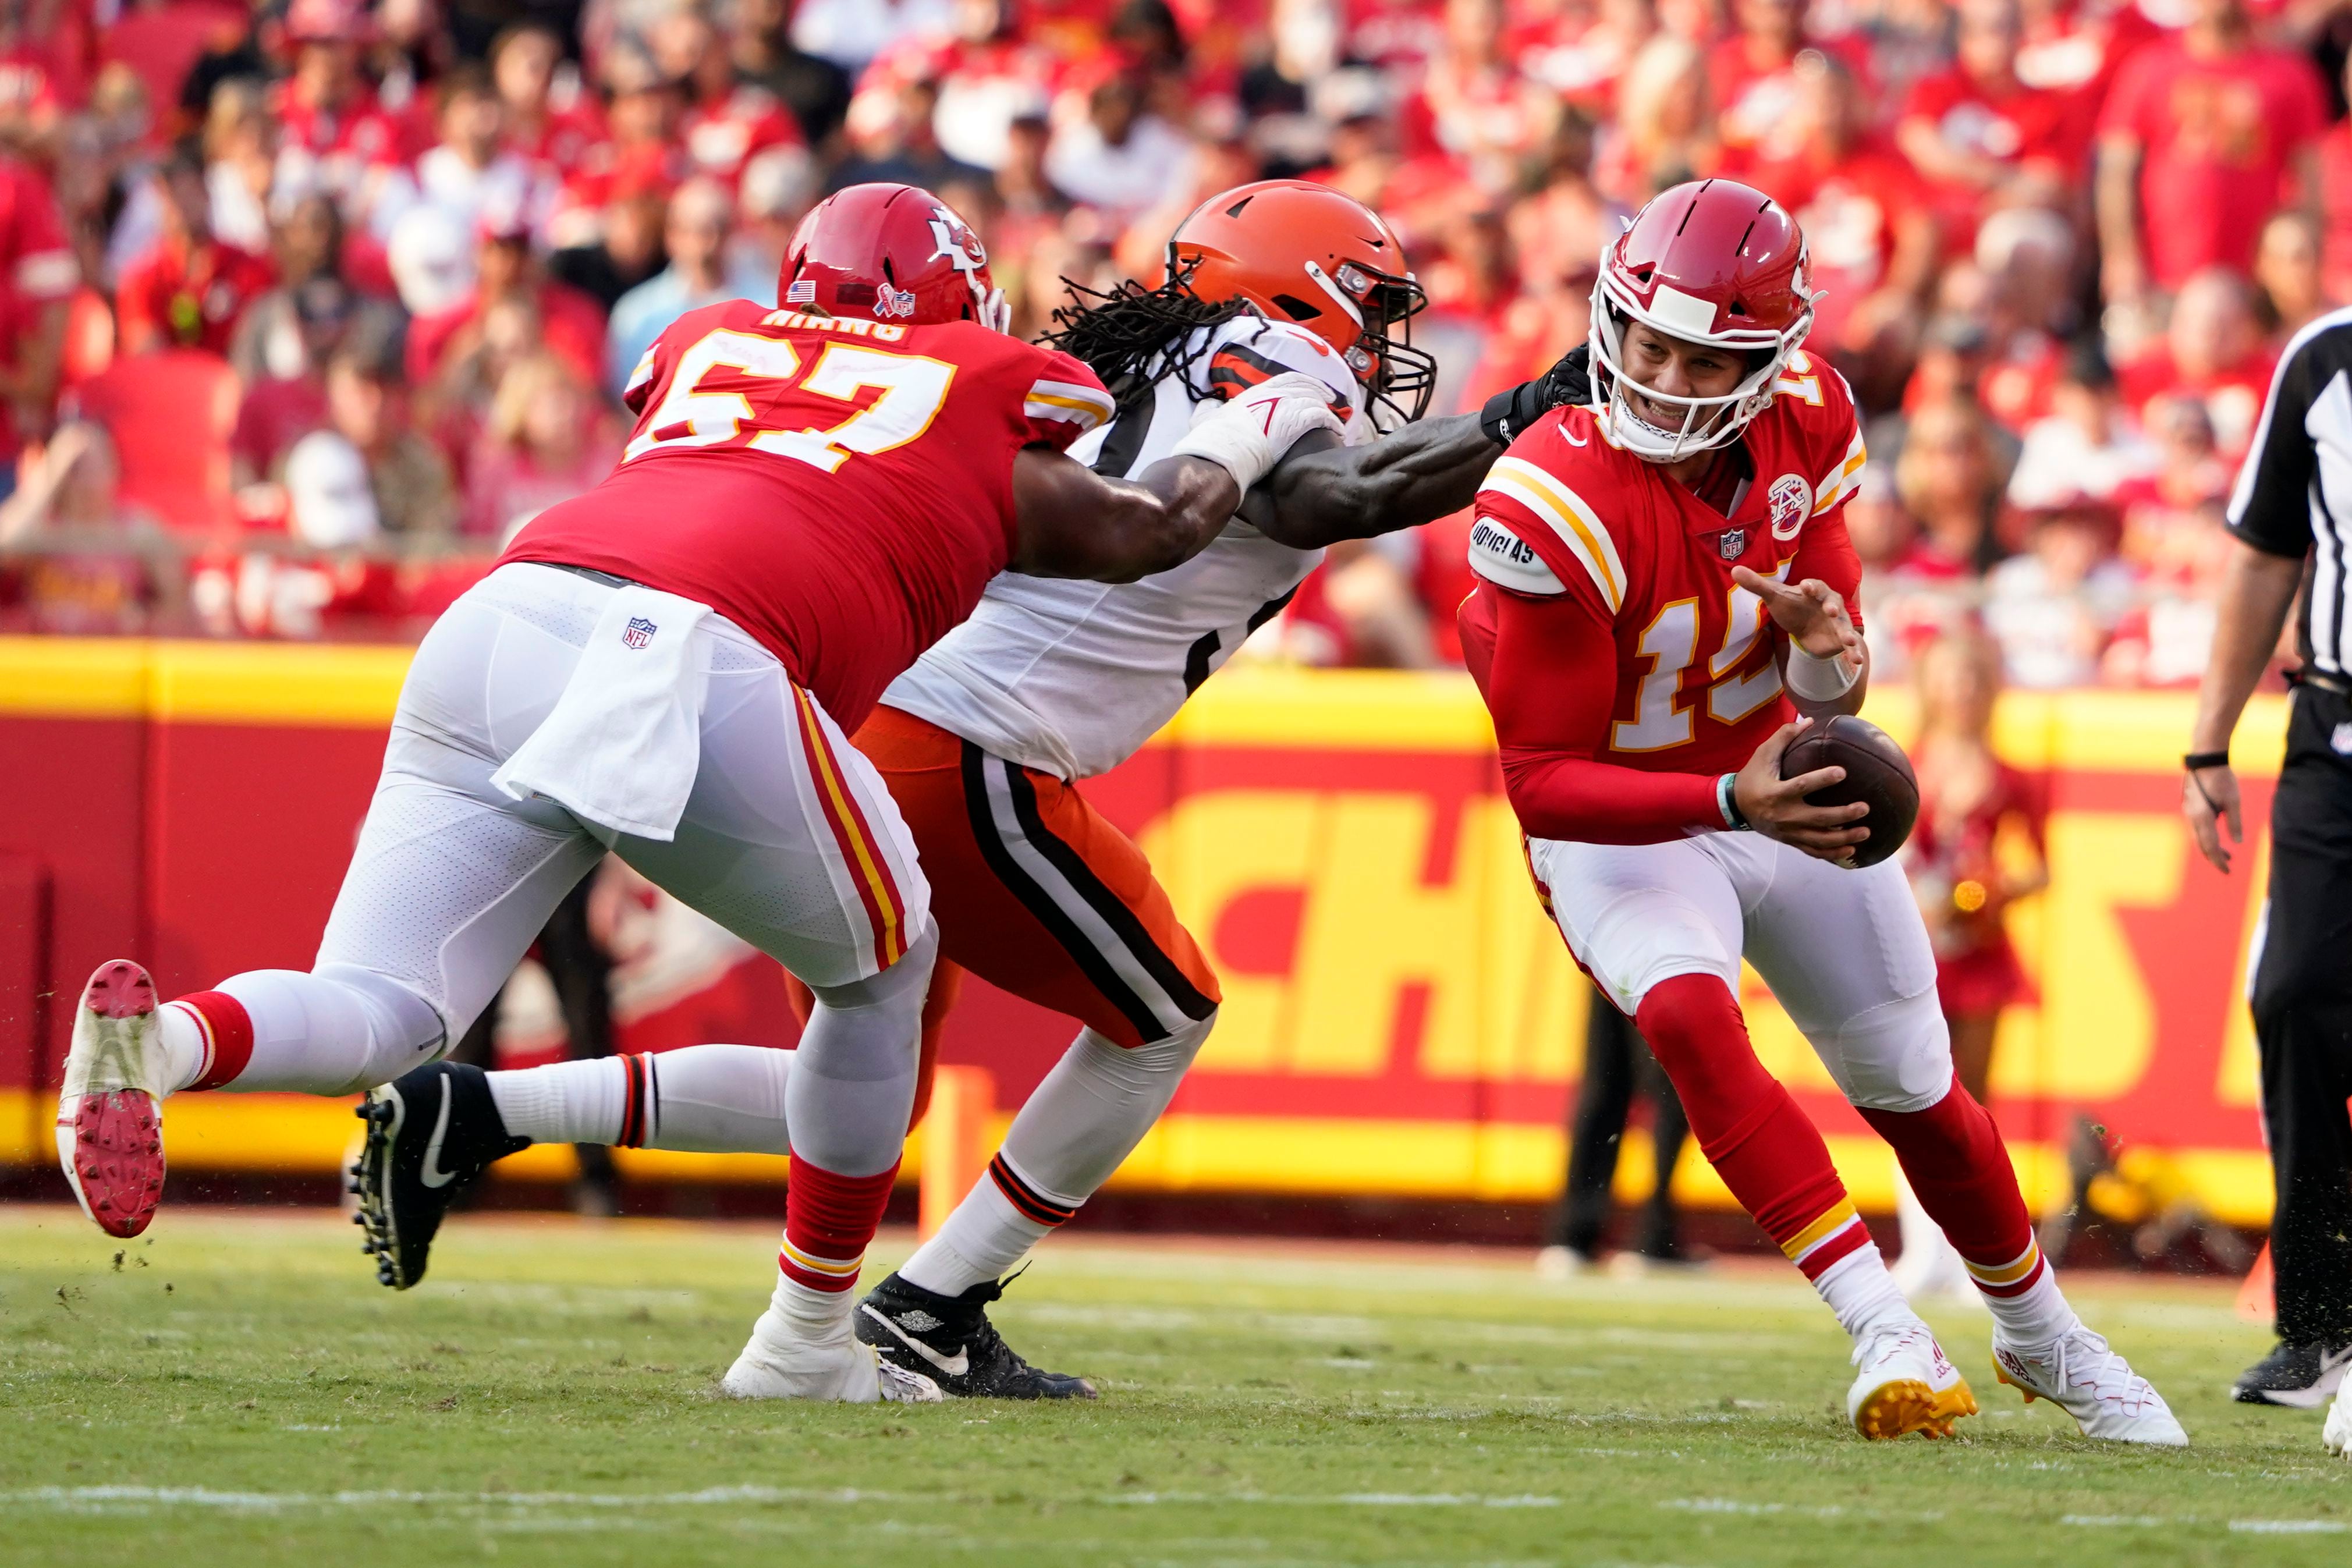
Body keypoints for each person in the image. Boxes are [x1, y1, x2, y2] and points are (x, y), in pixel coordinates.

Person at [53, 182, 1346, 1407]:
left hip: (506, 613)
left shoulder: (706, 338)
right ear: (964, 306)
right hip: (692, 653)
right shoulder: (979, 378)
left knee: (386, 1008)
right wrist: (1249, 421)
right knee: (887, 971)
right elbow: (1148, 530)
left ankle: (157, 1047)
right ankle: (804, 1343)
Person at [355, 178, 1590, 1399]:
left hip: (861, 717)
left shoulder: (1141, 362)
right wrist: (1530, 414)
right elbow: (1343, 495)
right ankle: (936, 1305)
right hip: (968, 747)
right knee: (1164, 1016)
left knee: (849, 1094)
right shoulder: (1268, 372)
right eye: (1364, 310)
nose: (1379, 344)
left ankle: (480, 1111)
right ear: (1294, 294)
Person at [1458, 178, 2183, 1444]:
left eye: (1701, 356)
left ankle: (2044, 1334)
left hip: (1768, 779)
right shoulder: (1550, 491)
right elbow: (1538, 778)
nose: (1662, 375)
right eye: (1643, 340)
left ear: (1766, 361)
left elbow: (1836, 678)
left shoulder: (1811, 422)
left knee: (1913, 1082)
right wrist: (1731, 796)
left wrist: (1818, 656)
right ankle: (1880, 1324)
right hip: (1625, 818)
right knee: (1686, 1012)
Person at [2181, 299, 2352, 1432]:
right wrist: (2208, 737)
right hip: (2333, 734)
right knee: (2290, 995)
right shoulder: (2323, 358)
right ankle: (2321, 1318)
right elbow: (2261, 553)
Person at [1891, 624, 2047, 1301]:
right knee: (1910, 1097)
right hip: (1913, 949)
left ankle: (1974, 1254)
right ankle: (1921, 1247)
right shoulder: (1904, 764)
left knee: (1972, 1104)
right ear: (1930, 687)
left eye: (1972, 679)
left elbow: (2039, 867)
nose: (1960, 691)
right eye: (1949, 678)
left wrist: (1991, 891)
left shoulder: (2010, 776)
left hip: (1980, 954)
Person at [1539, 985, 1691, 1276]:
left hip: (1609, 948)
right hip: (1671, 953)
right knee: (1671, 1084)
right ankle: (1651, 1239)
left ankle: (1574, 1237)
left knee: (1605, 1080)